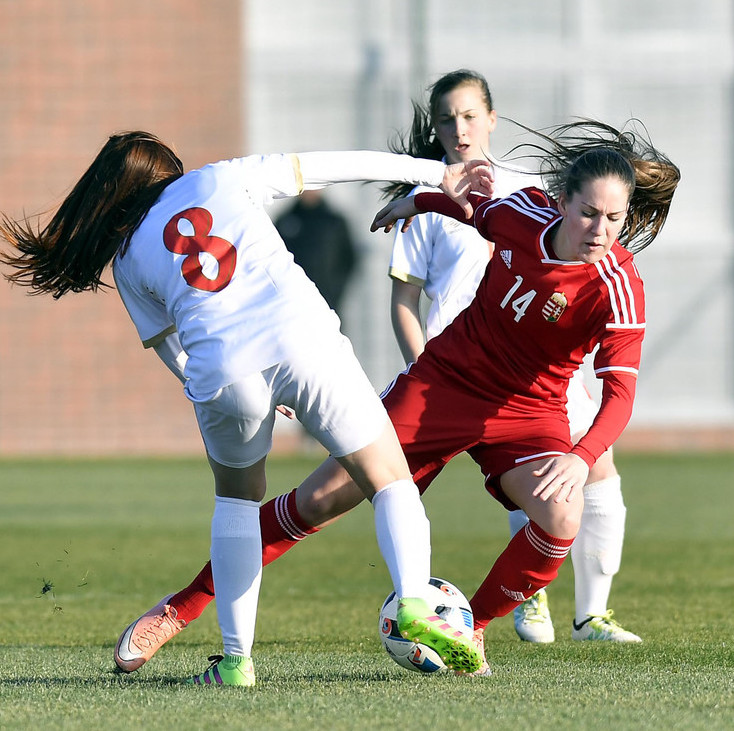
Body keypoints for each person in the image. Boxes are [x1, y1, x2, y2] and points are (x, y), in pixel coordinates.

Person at [109, 119, 679, 678]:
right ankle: (180, 606)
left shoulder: (620, 284)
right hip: (443, 386)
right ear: (560, 202)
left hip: (531, 413)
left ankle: (468, 628)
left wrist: (580, 458)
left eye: (614, 218)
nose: (600, 230)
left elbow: (621, 395)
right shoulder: (524, 214)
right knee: (317, 500)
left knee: (561, 516)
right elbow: (474, 210)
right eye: (588, 213)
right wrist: (420, 203)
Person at [0, 134, 496, 684]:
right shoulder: (219, 177)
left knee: (237, 503)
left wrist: (222, 387)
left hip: (224, 369)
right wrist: (431, 173)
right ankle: (414, 603)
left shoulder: (125, 260)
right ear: (169, 174)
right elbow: (334, 165)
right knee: (389, 479)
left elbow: (175, 351)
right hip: (303, 339)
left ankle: (236, 662)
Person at [385, 69, 641, 644]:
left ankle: (579, 613)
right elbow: (405, 299)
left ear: (492, 119)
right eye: (447, 117)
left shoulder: (538, 193)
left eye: (471, 114)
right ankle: (448, 603)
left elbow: (495, 217)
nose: (459, 127)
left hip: (540, 373)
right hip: (456, 366)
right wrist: (420, 367)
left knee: (583, 473)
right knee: (369, 481)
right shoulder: (433, 199)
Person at [274, 188, 357, 319]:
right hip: (292, 304)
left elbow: (349, 260)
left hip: (328, 301)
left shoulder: (334, 221)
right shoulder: (285, 221)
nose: (309, 190)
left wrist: (335, 290)